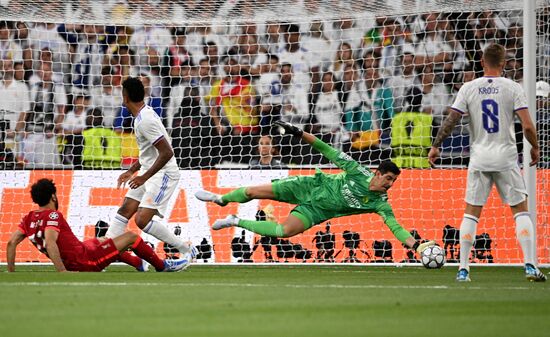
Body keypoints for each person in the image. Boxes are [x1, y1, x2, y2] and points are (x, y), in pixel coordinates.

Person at [195, 120, 435, 256]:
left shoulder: (380, 203)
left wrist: (416, 245)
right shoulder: (357, 170)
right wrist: (299, 133)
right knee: (251, 192)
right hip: (308, 186)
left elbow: (395, 227)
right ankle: (221, 199)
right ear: (378, 174)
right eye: (389, 179)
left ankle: (235, 220)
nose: (390, 185)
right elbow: (326, 149)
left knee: (284, 231)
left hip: (318, 211)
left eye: (393, 181)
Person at [428, 43, 546, 282]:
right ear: (503, 64)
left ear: (482, 62)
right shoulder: (513, 88)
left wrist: (436, 145)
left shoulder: (469, 88)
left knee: (471, 213)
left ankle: (463, 269)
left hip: (479, 158)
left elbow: (452, 119)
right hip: (506, 158)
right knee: (520, 211)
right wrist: (535, 146)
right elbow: (527, 125)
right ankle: (530, 266)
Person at [6, 178, 190, 272]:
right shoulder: (54, 215)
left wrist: (12, 271)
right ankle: (162, 266)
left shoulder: (28, 218)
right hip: (85, 261)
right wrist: (61, 271)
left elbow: (11, 243)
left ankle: (138, 263)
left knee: (99, 241)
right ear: (53, 196)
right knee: (132, 238)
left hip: (79, 255)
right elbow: (50, 240)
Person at [103, 77, 194, 258]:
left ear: (125, 96)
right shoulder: (141, 116)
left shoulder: (145, 121)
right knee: (126, 209)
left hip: (164, 173)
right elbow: (149, 153)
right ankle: (105, 252)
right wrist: (131, 170)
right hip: (149, 169)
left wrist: (143, 177)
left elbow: (167, 152)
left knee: (142, 219)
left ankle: (187, 249)